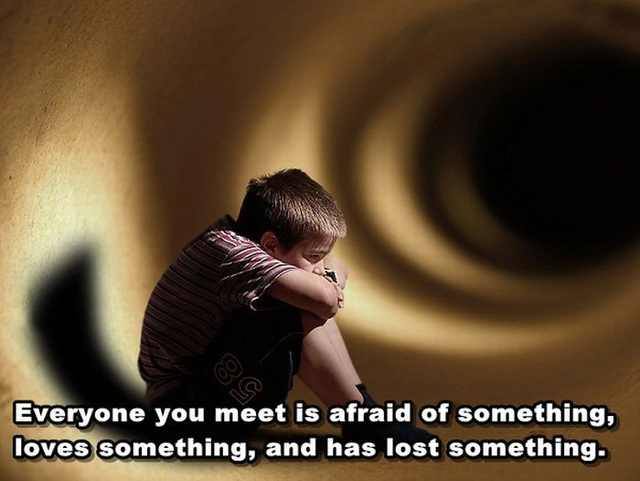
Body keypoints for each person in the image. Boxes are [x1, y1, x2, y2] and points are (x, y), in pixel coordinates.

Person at [137, 168, 432, 446]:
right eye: (313, 256)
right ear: (270, 244)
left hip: (199, 393)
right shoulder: (232, 254)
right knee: (292, 307)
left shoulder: (237, 240)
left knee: (301, 294)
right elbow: (325, 301)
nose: (320, 266)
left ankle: (364, 413)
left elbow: (337, 265)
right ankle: (362, 419)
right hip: (182, 411)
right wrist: (327, 286)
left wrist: (326, 276)